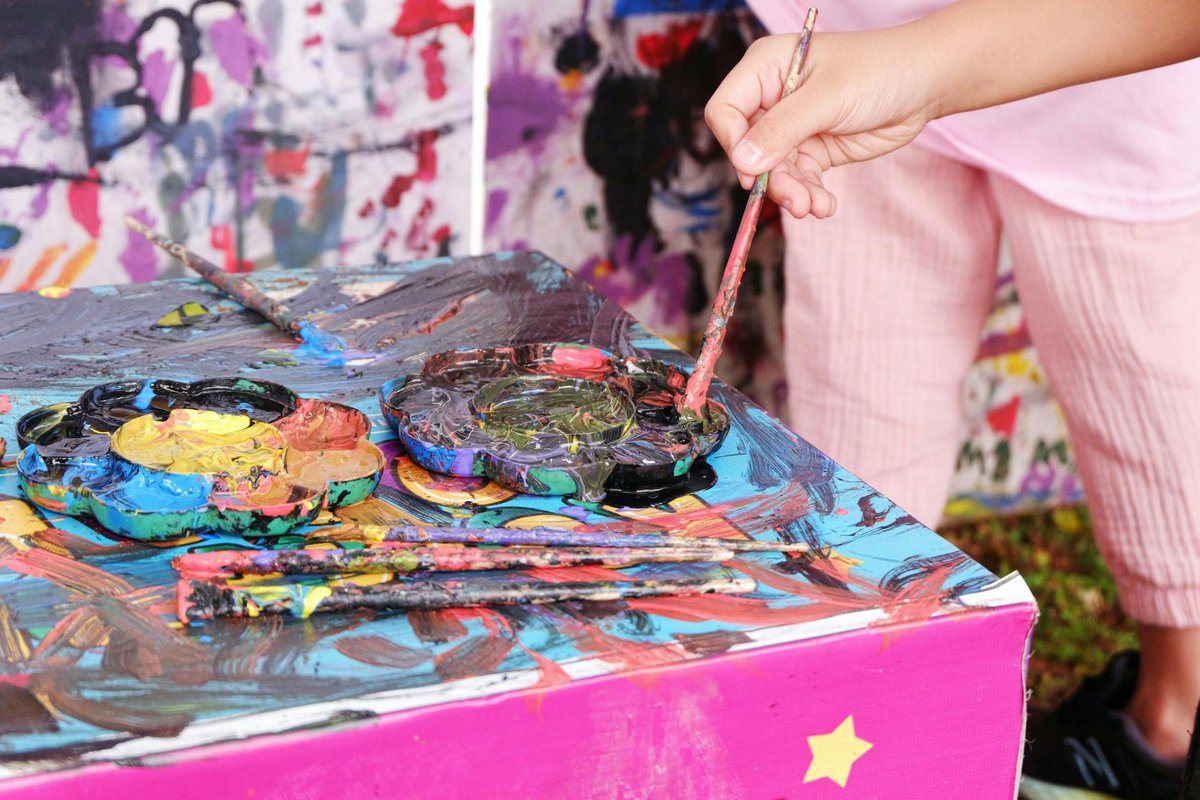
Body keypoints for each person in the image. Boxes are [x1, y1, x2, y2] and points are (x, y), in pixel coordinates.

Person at [705, 2, 1200, 798]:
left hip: (1114, 76)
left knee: (1151, 398)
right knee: (860, 396)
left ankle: (1174, 716)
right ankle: (852, 723)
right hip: (859, 53)